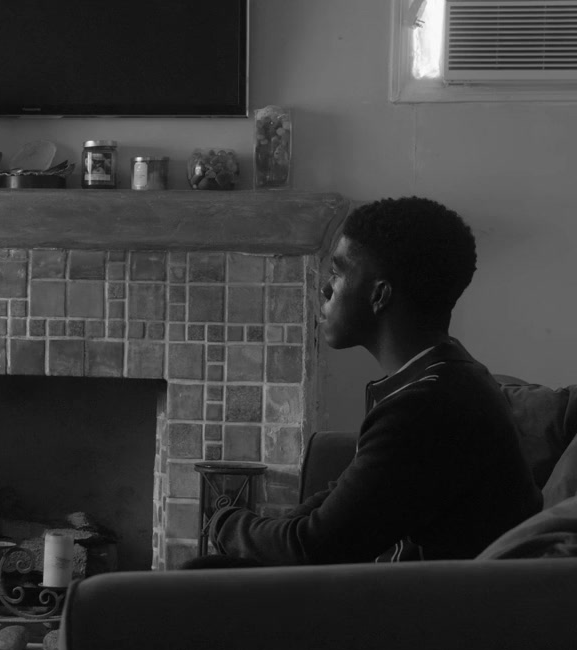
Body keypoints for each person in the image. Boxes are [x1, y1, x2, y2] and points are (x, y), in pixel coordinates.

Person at [204, 196, 540, 565]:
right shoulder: (443, 378)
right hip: (410, 588)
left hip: (433, 599)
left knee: (205, 570)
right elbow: (341, 501)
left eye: (337, 273)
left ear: (379, 295)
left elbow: (314, 547)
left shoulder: (426, 407)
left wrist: (224, 522)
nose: (325, 290)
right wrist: (262, 530)